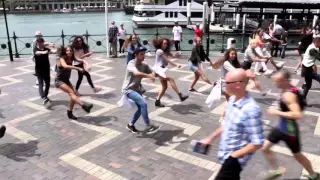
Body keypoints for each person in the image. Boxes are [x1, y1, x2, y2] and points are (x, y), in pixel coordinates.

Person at [201, 69, 264, 180]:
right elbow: (226, 124)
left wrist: (233, 156)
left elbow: (258, 143)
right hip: (225, 156)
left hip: (234, 161)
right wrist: (210, 139)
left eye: (227, 82)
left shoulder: (251, 110)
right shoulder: (233, 99)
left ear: (238, 84)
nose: (224, 85)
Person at [262, 70, 320, 180]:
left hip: (290, 132)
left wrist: (277, 112)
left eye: (277, 81)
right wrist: (280, 108)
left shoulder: (289, 95)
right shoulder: (288, 88)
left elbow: (298, 114)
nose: (275, 83)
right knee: (265, 148)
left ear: (284, 81)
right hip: (281, 128)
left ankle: (314, 175)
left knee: (298, 156)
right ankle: (275, 170)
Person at [124, 47, 160, 134]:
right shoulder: (131, 63)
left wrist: (158, 73)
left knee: (141, 108)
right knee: (143, 103)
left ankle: (130, 124)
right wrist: (149, 76)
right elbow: (136, 73)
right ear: (136, 55)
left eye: (144, 54)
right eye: (141, 54)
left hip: (137, 89)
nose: (143, 56)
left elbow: (153, 72)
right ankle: (148, 126)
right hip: (129, 89)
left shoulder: (144, 64)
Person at [55, 46, 93, 119]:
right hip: (59, 80)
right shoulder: (62, 58)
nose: (69, 52)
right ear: (65, 52)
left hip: (66, 80)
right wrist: (78, 68)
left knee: (73, 95)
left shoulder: (72, 58)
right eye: (67, 51)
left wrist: (87, 64)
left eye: (70, 51)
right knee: (71, 93)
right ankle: (84, 105)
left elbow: (81, 60)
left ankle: (69, 113)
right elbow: (65, 66)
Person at [152, 38, 189, 107]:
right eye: (164, 43)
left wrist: (177, 54)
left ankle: (157, 101)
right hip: (158, 70)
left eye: (166, 44)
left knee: (164, 87)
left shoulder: (166, 51)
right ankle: (180, 95)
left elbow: (173, 56)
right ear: (161, 44)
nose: (165, 45)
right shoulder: (159, 51)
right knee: (171, 79)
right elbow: (167, 60)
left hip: (162, 70)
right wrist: (176, 65)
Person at [33, 38, 56, 106]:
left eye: (42, 43)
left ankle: (45, 97)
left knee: (48, 84)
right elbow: (37, 53)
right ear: (38, 43)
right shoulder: (36, 49)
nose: (42, 44)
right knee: (41, 84)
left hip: (46, 69)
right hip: (39, 70)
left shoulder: (46, 48)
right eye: (40, 43)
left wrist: (58, 50)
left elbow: (53, 51)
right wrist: (43, 52)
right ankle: (43, 97)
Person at [301, 37, 320, 106]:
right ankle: (302, 100)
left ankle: (302, 100)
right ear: (317, 42)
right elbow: (319, 57)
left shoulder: (313, 46)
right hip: (307, 69)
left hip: (306, 68)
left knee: (308, 85)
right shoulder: (312, 49)